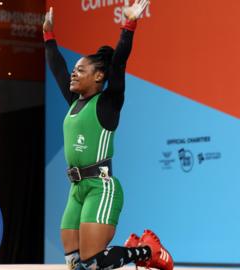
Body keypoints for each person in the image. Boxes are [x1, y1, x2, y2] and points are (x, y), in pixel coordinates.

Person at [43, 1, 173, 269]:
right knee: (73, 262)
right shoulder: (75, 103)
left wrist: (129, 25)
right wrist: (48, 35)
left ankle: (148, 251)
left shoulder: (107, 103)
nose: (73, 74)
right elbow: (57, 68)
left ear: (99, 76)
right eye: (75, 69)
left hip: (101, 188)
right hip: (77, 189)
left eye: (81, 70)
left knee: (92, 262)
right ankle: (136, 249)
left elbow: (120, 63)